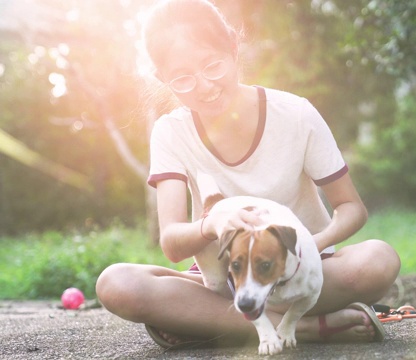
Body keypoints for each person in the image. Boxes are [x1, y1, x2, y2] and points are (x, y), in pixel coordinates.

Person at [96, 0, 400, 348]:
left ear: (233, 48)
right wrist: (211, 226)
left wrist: (303, 250)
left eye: (212, 65)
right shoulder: (170, 131)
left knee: (378, 260)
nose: (204, 85)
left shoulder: (295, 114)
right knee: (116, 284)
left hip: (300, 274)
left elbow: (351, 208)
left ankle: (208, 323)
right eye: (182, 78)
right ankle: (309, 327)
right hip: (225, 282)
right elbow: (172, 243)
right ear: (162, 79)